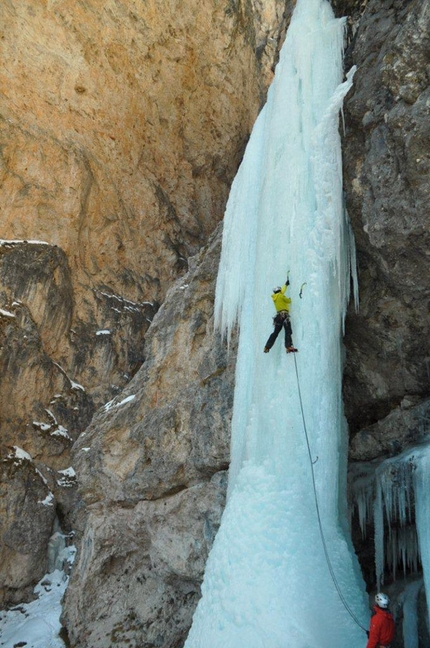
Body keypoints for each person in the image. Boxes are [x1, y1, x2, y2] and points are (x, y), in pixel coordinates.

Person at [264, 278, 298, 354]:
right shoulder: (281, 296)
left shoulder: (275, 297)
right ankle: (288, 347)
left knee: (275, 332)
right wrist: (290, 298)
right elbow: (288, 301)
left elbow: (282, 291)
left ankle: (267, 347)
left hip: (278, 317)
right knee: (288, 331)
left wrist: (285, 285)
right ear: (279, 291)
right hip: (284, 316)